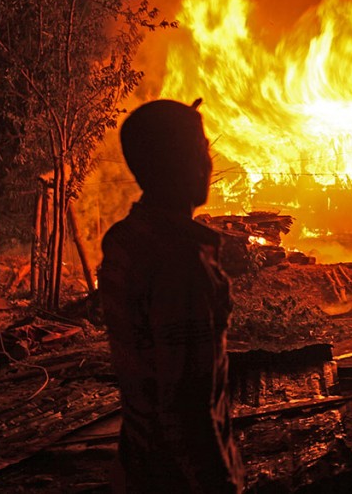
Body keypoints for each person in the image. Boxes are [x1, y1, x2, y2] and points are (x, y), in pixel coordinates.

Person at [98, 99, 244, 493]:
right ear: (177, 163)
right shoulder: (181, 263)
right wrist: (221, 484)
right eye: (201, 150)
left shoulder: (126, 240)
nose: (209, 164)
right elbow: (188, 408)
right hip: (177, 479)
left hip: (137, 463)